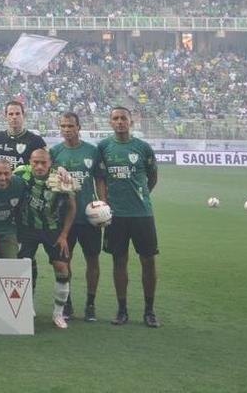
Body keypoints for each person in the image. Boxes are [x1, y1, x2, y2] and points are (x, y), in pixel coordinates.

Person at [96, 106, 160, 328]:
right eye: (116, 118)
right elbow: (101, 178)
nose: (120, 122)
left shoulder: (142, 147)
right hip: (116, 216)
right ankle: (122, 309)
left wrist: (141, 196)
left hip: (142, 214)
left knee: (148, 261)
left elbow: (152, 177)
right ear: (110, 122)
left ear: (131, 122)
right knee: (119, 261)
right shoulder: (104, 147)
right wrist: (104, 204)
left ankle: (149, 311)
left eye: (124, 118)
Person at [49, 111, 105, 322]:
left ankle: (90, 304)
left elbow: (99, 179)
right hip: (65, 220)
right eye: (63, 126)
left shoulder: (92, 151)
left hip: (89, 216)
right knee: (65, 261)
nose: (67, 130)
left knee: (93, 260)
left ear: (79, 127)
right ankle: (67, 302)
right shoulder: (55, 152)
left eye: (71, 126)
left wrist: (103, 204)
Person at [18, 148, 76, 330]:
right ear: (30, 162)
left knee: (62, 268)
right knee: (24, 266)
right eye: (35, 162)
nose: (39, 166)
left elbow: (72, 207)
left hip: (52, 229)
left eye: (44, 162)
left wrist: (64, 234)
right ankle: (28, 307)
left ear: (50, 164)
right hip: (27, 229)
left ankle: (58, 314)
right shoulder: (21, 174)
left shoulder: (59, 178)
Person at [0, 158, 27, 259]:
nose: (2, 177)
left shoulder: (20, 184)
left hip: (8, 230)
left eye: (6, 173)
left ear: (12, 173)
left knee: (12, 262)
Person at [0, 100, 47, 170]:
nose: (14, 117)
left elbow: (45, 165)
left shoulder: (36, 141)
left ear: (24, 115)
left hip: (25, 181)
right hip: (1, 179)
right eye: (11, 114)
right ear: (5, 116)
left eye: (17, 113)